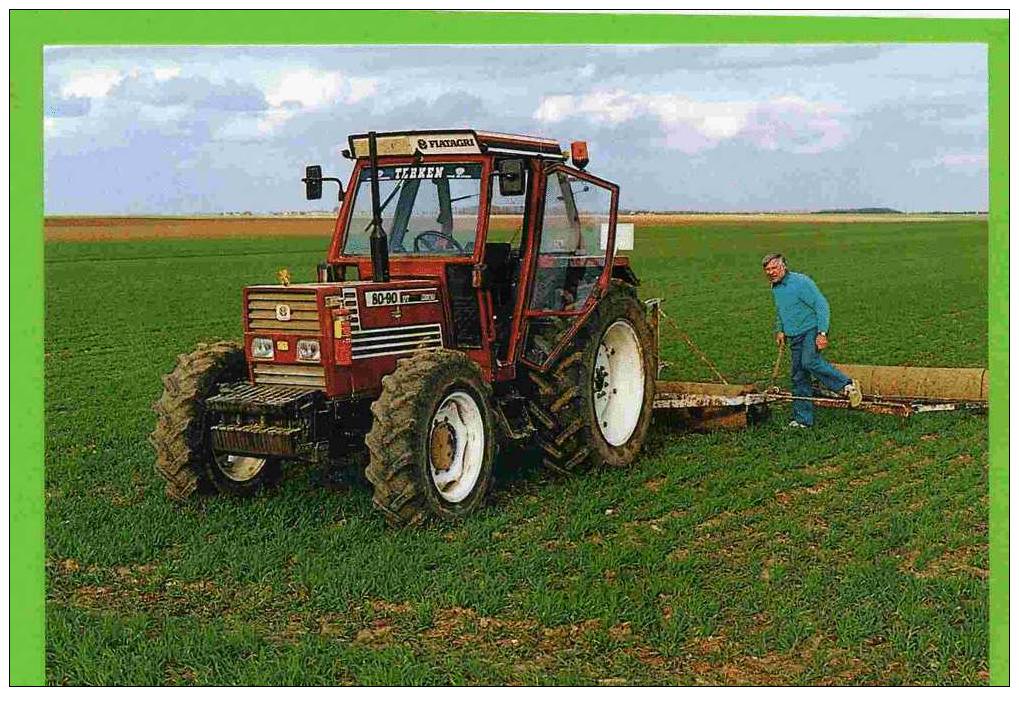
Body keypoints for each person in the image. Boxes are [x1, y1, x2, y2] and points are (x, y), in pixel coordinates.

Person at [762, 253, 862, 428]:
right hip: (794, 335)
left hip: (810, 330)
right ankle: (803, 420)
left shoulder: (801, 283)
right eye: (767, 269)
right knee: (798, 376)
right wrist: (780, 329)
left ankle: (847, 384)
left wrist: (822, 333)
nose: (771, 272)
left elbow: (822, 305)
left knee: (809, 361)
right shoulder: (775, 287)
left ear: (784, 266)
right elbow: (781, 309)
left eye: (774, 268)